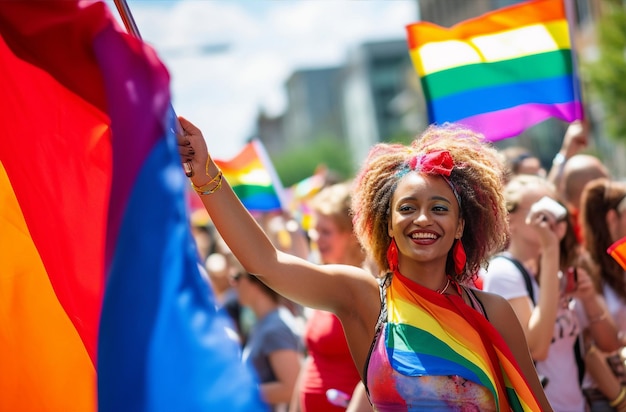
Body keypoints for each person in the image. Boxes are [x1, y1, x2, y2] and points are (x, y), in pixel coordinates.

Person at [178, 117, 551, 410]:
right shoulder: (362, 298)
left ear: (460, 227)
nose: (423, 219)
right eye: (407, 209)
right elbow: (266, 262)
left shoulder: (493, 312)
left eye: (439, 209)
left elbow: (533, 406)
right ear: (387, 223)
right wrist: (205, 173)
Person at [481, 174, 618, 411]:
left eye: (555, 212)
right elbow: (536, 348)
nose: (550, 222)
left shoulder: (556, 273)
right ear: (509, 220)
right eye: (540, 213)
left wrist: (588, 299)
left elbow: (607, 344)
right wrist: (551, 248)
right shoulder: (503, 271)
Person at [290, 182, 370, 412]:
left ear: (353, 236)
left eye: (325, 231)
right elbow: (312, 361)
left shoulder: (368, 288)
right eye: (315, 230)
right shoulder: (322, 281)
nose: (316, 238)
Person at [579, 178, 626, 411]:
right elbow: (589, 345)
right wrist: (620, 399)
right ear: (611, 218)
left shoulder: (621, 262)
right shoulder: (585, 267)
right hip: (607, 394)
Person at [232, 269, 303, 411]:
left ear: (255, 281)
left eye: (237, 277)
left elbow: (291, 388)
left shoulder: (275, 327)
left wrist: (239, 389)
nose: (233, 282)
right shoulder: (266, 321)